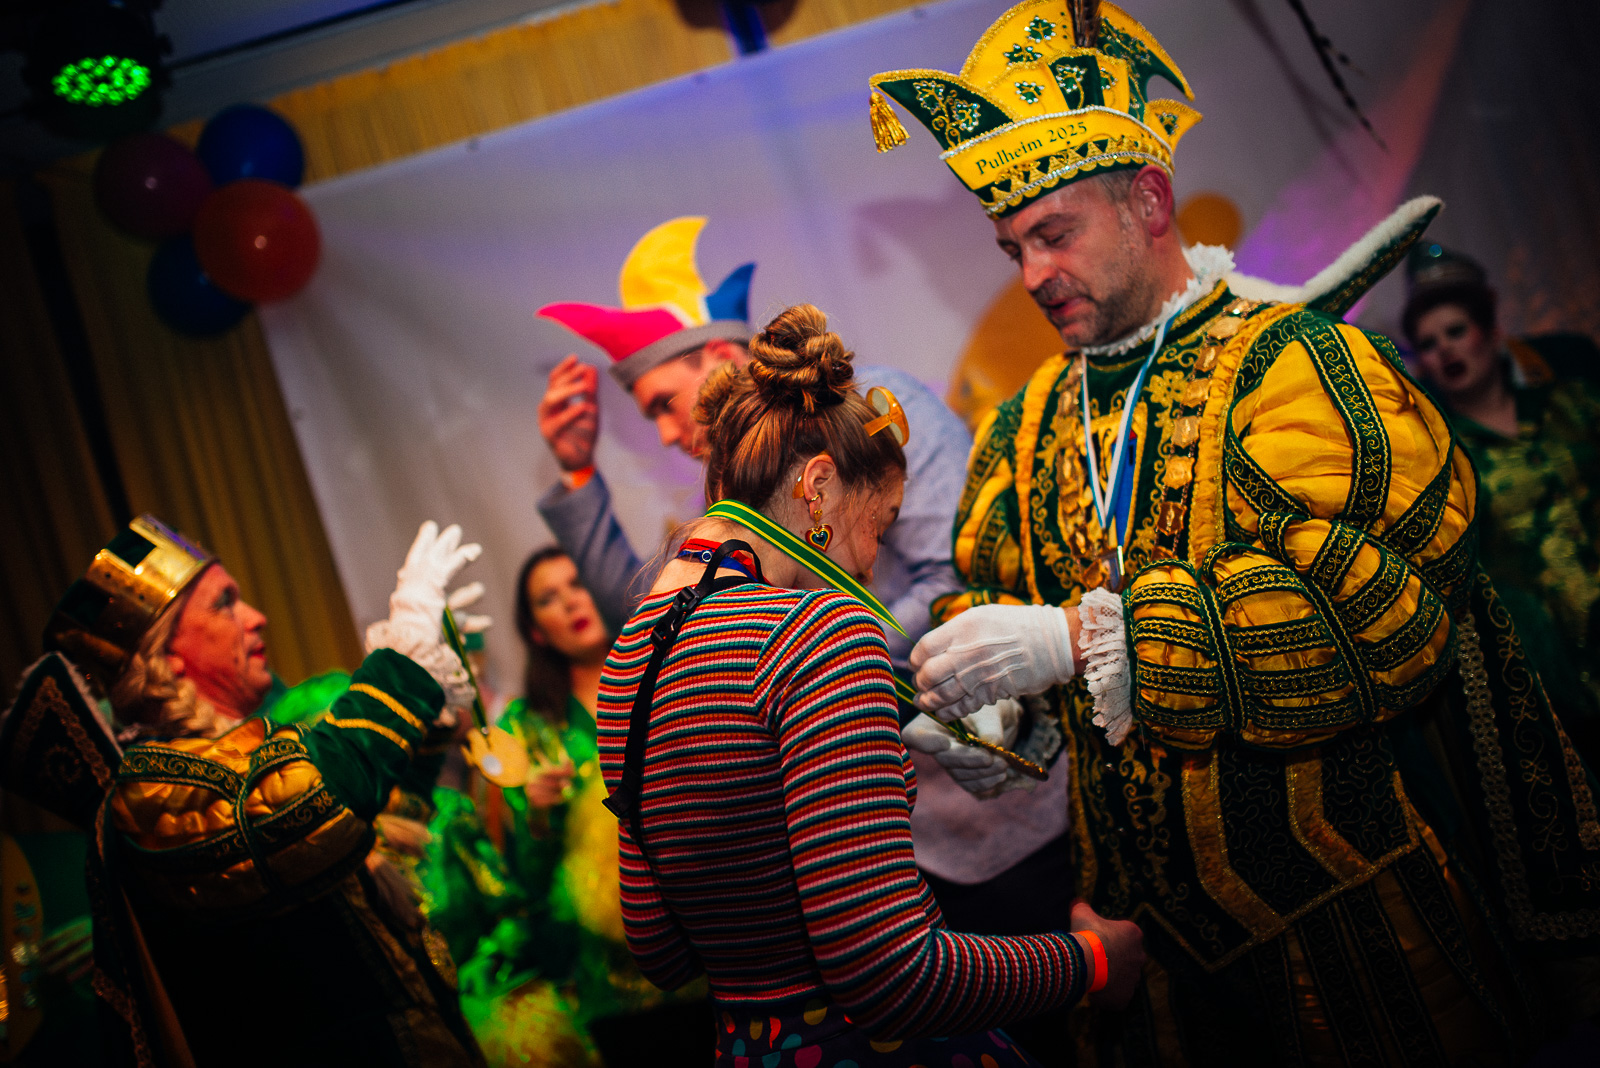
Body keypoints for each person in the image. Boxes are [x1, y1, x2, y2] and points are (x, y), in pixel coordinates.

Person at [873, 0, 1600, 1061]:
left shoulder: (1292, 364)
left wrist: (1080, 639)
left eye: (1054, 234)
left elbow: (1378, 611)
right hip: (1146, 964)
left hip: (1359, 934)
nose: (1031, 275)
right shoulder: (1022, 430)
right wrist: (1001, 725)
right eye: (1011, 247)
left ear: (1149, 199)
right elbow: (996, 611)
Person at [536, 216, 1080, 1059]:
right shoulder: (814, 626)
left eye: (663, 406)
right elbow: (894, 977)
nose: (669, 434)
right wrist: (1092, 965)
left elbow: (960, 574)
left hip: (964, 842)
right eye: (876, 528)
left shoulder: (873, 421)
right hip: (889, 915)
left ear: (720, 361)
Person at [5, 514, 490, 1067]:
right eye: (224, 603)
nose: (257, 618)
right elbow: (315, 807)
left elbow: (370, 833)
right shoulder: (148, 792)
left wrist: (427, 731)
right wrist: (403, 663)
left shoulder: (250, 753)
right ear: (164, 656)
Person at [488, 547, 711, 1065]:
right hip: (607, 982)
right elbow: (522, 884)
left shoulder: (671, 676)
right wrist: (537, 816)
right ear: (536, 631)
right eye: (549, 598)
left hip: (708, 946)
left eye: (577, 583)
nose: (572, 602)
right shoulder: (524, 728)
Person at [1404, 244, 1600, 765]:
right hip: (1561, 680)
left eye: (1456, 331)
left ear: (1491, 332)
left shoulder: (1573, 402)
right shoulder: (1439, 464)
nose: (1445, 350)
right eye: (1428, 344)